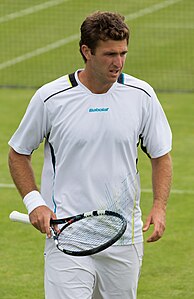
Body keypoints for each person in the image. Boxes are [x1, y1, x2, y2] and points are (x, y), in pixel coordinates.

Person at [8, 11, 172, 299]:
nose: (118, 62)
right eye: (110, 54)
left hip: (124, 238)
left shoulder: (142, 95)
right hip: (66, 237)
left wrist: (159, 206)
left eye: (123, 53)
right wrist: (35, 203)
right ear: (87, 51)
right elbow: (18, 152)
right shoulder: (50, 99)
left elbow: (161, 155)